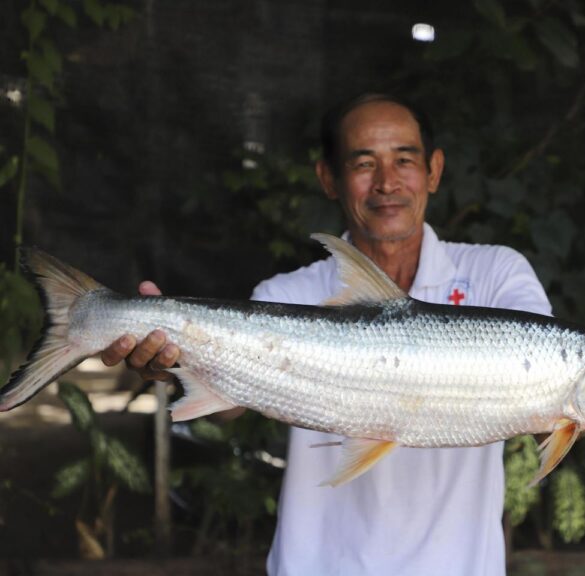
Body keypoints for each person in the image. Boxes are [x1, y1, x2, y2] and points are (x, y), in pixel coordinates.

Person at [101, 93, 551, 575]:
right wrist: (175, 361)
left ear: (434, 171)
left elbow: (543, 385)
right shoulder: (287, 292)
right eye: (363, 163)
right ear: (328, 179)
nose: (386, 183)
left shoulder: (497, 274)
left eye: (405, 160)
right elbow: (232, 401)